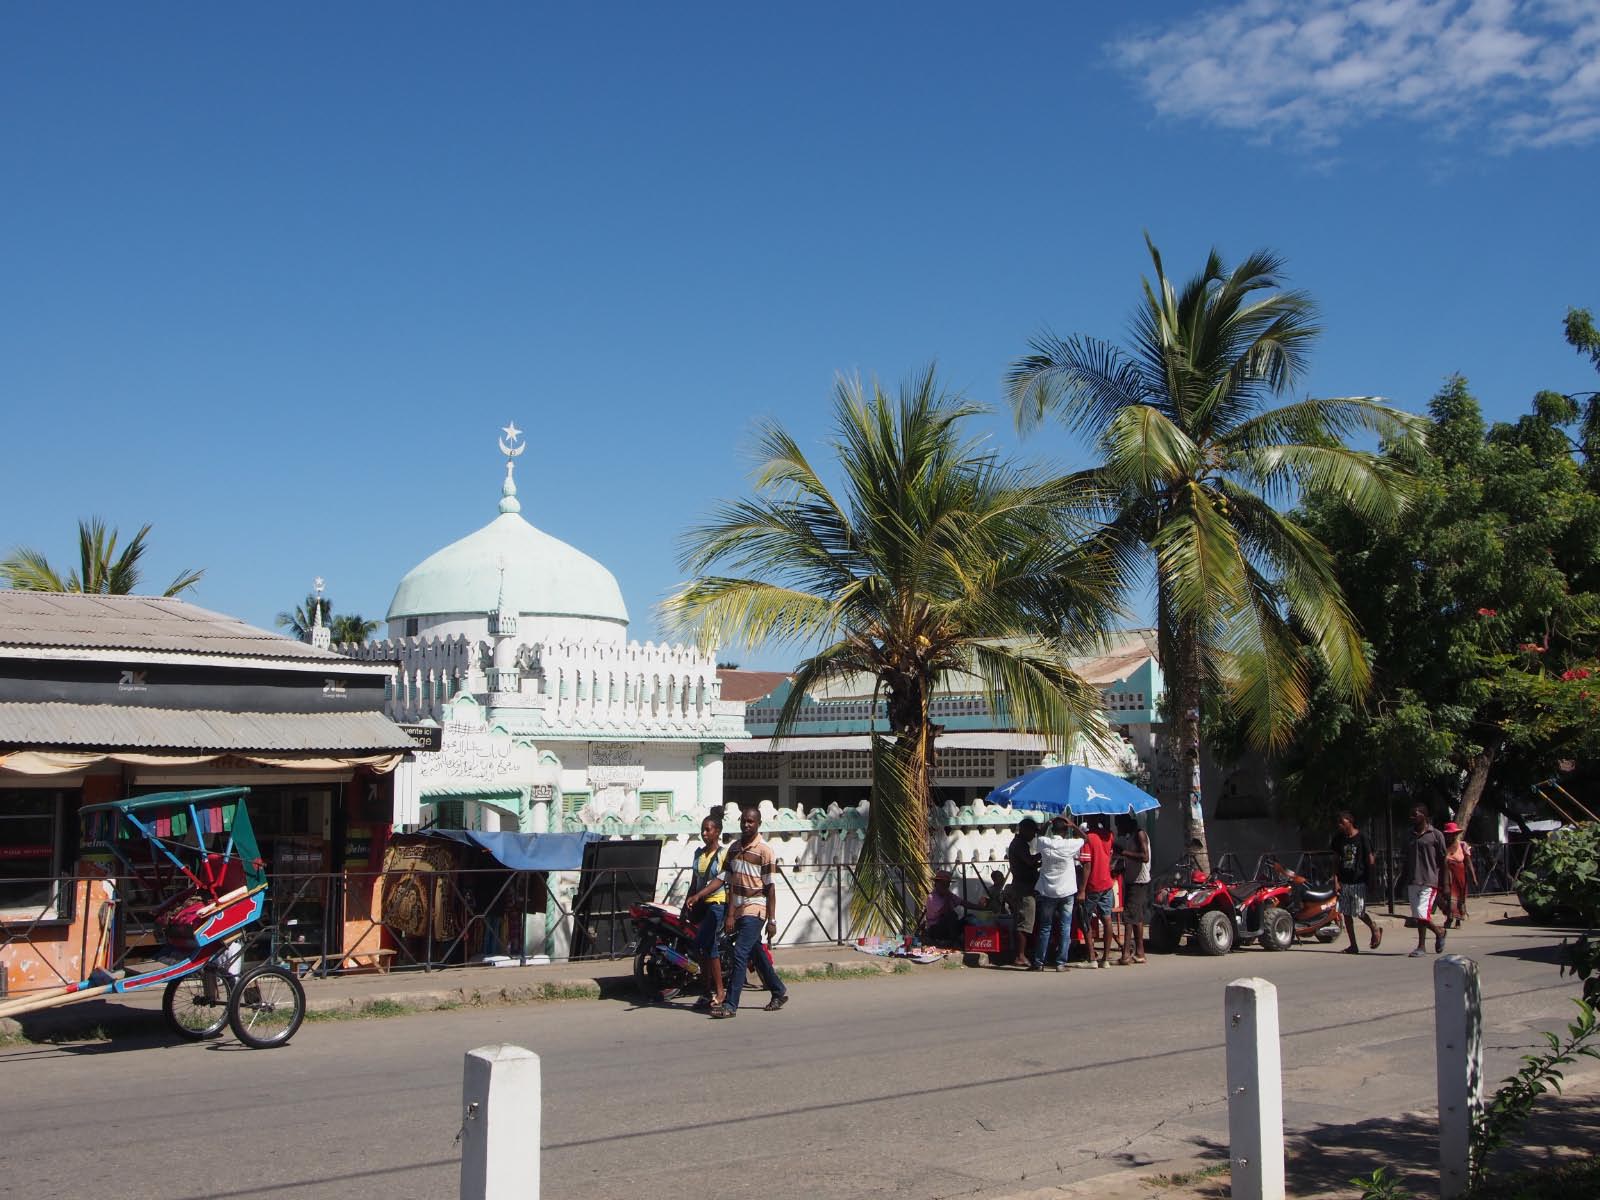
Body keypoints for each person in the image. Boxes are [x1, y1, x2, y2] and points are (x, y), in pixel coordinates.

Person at [714, 806, 790, 1018]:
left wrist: (772, 919)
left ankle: (730, 1005)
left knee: (740, 954)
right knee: (756, 952)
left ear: (758, 824)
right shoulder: (734, 849)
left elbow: (770, 888)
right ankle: (778, 990)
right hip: (737, 909)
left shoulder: (765, 851)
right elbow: (728, 883)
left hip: (755, 910)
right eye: (744, 821)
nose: (746, 825)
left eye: (751, 822)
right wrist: (729, 914)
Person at [683, 814, 728, 1010]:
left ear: (717, 832)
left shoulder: (723, 854)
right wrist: (689, 900)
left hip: (717, 904)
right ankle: (707, 990)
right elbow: (695, 881)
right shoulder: (698, 855)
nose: (704, 833)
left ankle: (719, 992)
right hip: (701, 905)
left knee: (708, 945)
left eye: (708, 830)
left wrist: (698, 896)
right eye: (703, 829)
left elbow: (720, 880)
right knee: (702, 947)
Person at [1030, 815, 1084, 971]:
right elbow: (1085, 838)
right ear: (1065, 831)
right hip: (1067, 891)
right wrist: (1073, 826)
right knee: (1065, 927)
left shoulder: (1045, 843)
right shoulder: (1070, 844)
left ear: (1052, 830)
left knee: (1045, 927)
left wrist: (1048, 822)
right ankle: (1061, 963)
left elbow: (1039, 835)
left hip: (1048, 891)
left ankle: (1039, 962)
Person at [1330, 811, 1383, 954]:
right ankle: (1353, 945)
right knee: (1346, 913)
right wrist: (1336, 880)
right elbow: (1335, 860)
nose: (1340, 825)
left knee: (1359, 911)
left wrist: (1371, 880)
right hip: (1344, 880)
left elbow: (1370, 859)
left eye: (1343, 821)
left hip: (1359, 879)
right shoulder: (1338, 839)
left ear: (1350, 821)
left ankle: (1374, 928)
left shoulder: (1362, 837)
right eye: (1339, 822)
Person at [1404, 804, 1448, 958]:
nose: (1412, 818)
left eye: (1415, 815)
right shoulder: (1409, 835)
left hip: (1429, 880)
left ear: (1424, 815)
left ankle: (1421, 946)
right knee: (1417, 915)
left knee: (1422, 914)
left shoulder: (1436, 835)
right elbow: (1406, 859)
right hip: (1413, 880)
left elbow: (1443, 861)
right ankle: (1439, 931)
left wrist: (1445, 884)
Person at [1079, 817, 1116, 968]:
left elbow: (1087, 866)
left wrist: (1082, 890)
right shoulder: (1108, 835)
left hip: (1094, 884)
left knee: (1084, 918)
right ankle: (1105, 958)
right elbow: (1110, 856)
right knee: (1107, 918)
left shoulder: (1088, 838)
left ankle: (1092, 957)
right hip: (1107, 882)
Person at [1114, 814, 1150, 965]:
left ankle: (1125, 955)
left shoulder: (1140, 834)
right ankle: (1140, 952)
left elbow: (1144, 856)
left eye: (1118, 825)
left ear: (1126, 824)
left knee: (1128, 917)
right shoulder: (1131, 836)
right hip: (1131, 879)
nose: (1117, 829)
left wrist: (1124, 853)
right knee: (1137, 918)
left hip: (1138, 881)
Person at [1005, 818, 1042, 966]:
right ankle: (1020, 955)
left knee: (1024, 921)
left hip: (1025, 886)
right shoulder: (1019, 845)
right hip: (1023, 888)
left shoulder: (1021, 844)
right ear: (1025, 830)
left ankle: (1024, 952)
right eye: (1032, 832)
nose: (1034, 836)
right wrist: (1043, 855)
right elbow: (1029, 861)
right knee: (1024, 923)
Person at [917, 869, 970, 947]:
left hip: (948, 927)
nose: (945, 886)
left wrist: (980, 907)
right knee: (951, 915)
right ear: (936, 884)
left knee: (968, 919)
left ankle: (966, 941)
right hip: (936, 929)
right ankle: (951, 941)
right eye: (943, 883)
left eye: (947, 883)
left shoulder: (949, 894)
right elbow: (945, 912)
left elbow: (962, 902)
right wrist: (947, 897)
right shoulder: (932, 897)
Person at [1442, 822, 1476, 928]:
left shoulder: (1462, 845)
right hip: (1447, 875)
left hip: (1460, 875)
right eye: (1448, 834)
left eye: (1453, 834)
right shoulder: (1442, 846)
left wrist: (1473, 877)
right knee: (1448, 898)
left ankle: (1458, 920)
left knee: (1460, 899)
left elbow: (1468, 862)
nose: (1450, 837)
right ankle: (1449, 917)